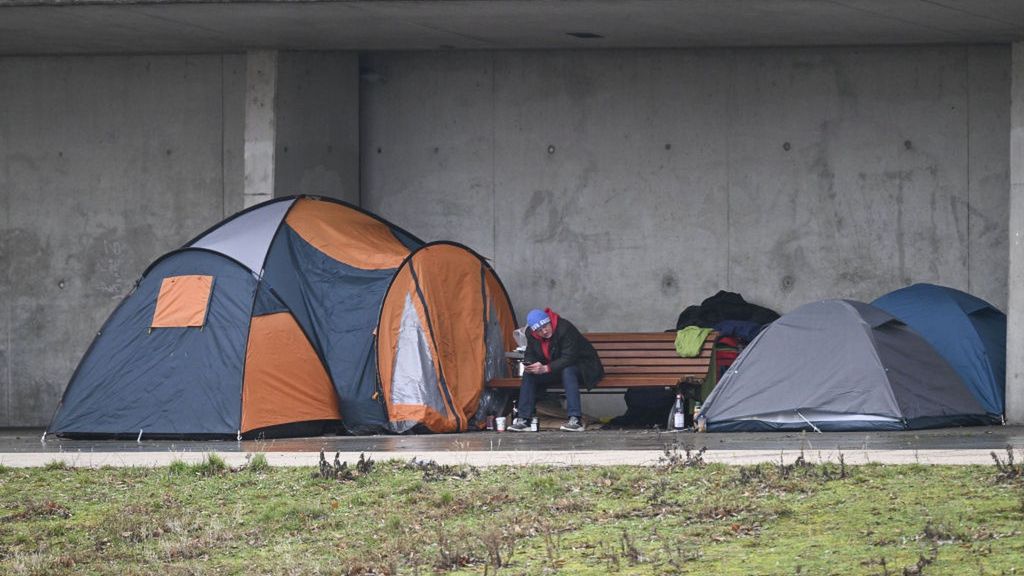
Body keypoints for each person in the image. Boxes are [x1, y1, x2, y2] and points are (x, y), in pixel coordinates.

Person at [508, 308, 604, 432]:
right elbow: (530, 353)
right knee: (529, 374)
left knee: (568, 370)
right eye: (539, 330)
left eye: (546, 326)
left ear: (549, 321)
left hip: (583, 367)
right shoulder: (531, 334)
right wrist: (531, 364)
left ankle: (575, 419)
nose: (544, 331)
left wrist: (545, 368)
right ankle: (524, 419)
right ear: (534, 331)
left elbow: (569, 358)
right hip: (555, 368)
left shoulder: (565, 328)